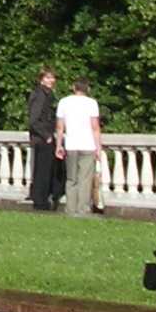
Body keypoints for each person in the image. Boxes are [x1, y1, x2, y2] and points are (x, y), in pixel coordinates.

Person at [54, 77, 104, 218]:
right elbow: (95, 127)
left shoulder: (64, 102)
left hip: (71, 144)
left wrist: (58, 145)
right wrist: (98, 148)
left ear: (73, 87)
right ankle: (82, 209)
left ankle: (70, 209)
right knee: (85, 179)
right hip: (87, 144)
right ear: (87, 88)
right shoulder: (91, 103)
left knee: (71, 179)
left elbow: (59, 127)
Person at [27, 67, 59, 212]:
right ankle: (40, 201)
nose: (51, 81)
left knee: (44, 170)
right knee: (43, 170)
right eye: (47, 78)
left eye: (52, 78)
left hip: (43, 137)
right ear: (41, 79)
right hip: (42, 139)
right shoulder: (40, 95)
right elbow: (34, 120)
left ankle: (42, 198)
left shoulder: (47, 94)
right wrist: (46, 136)